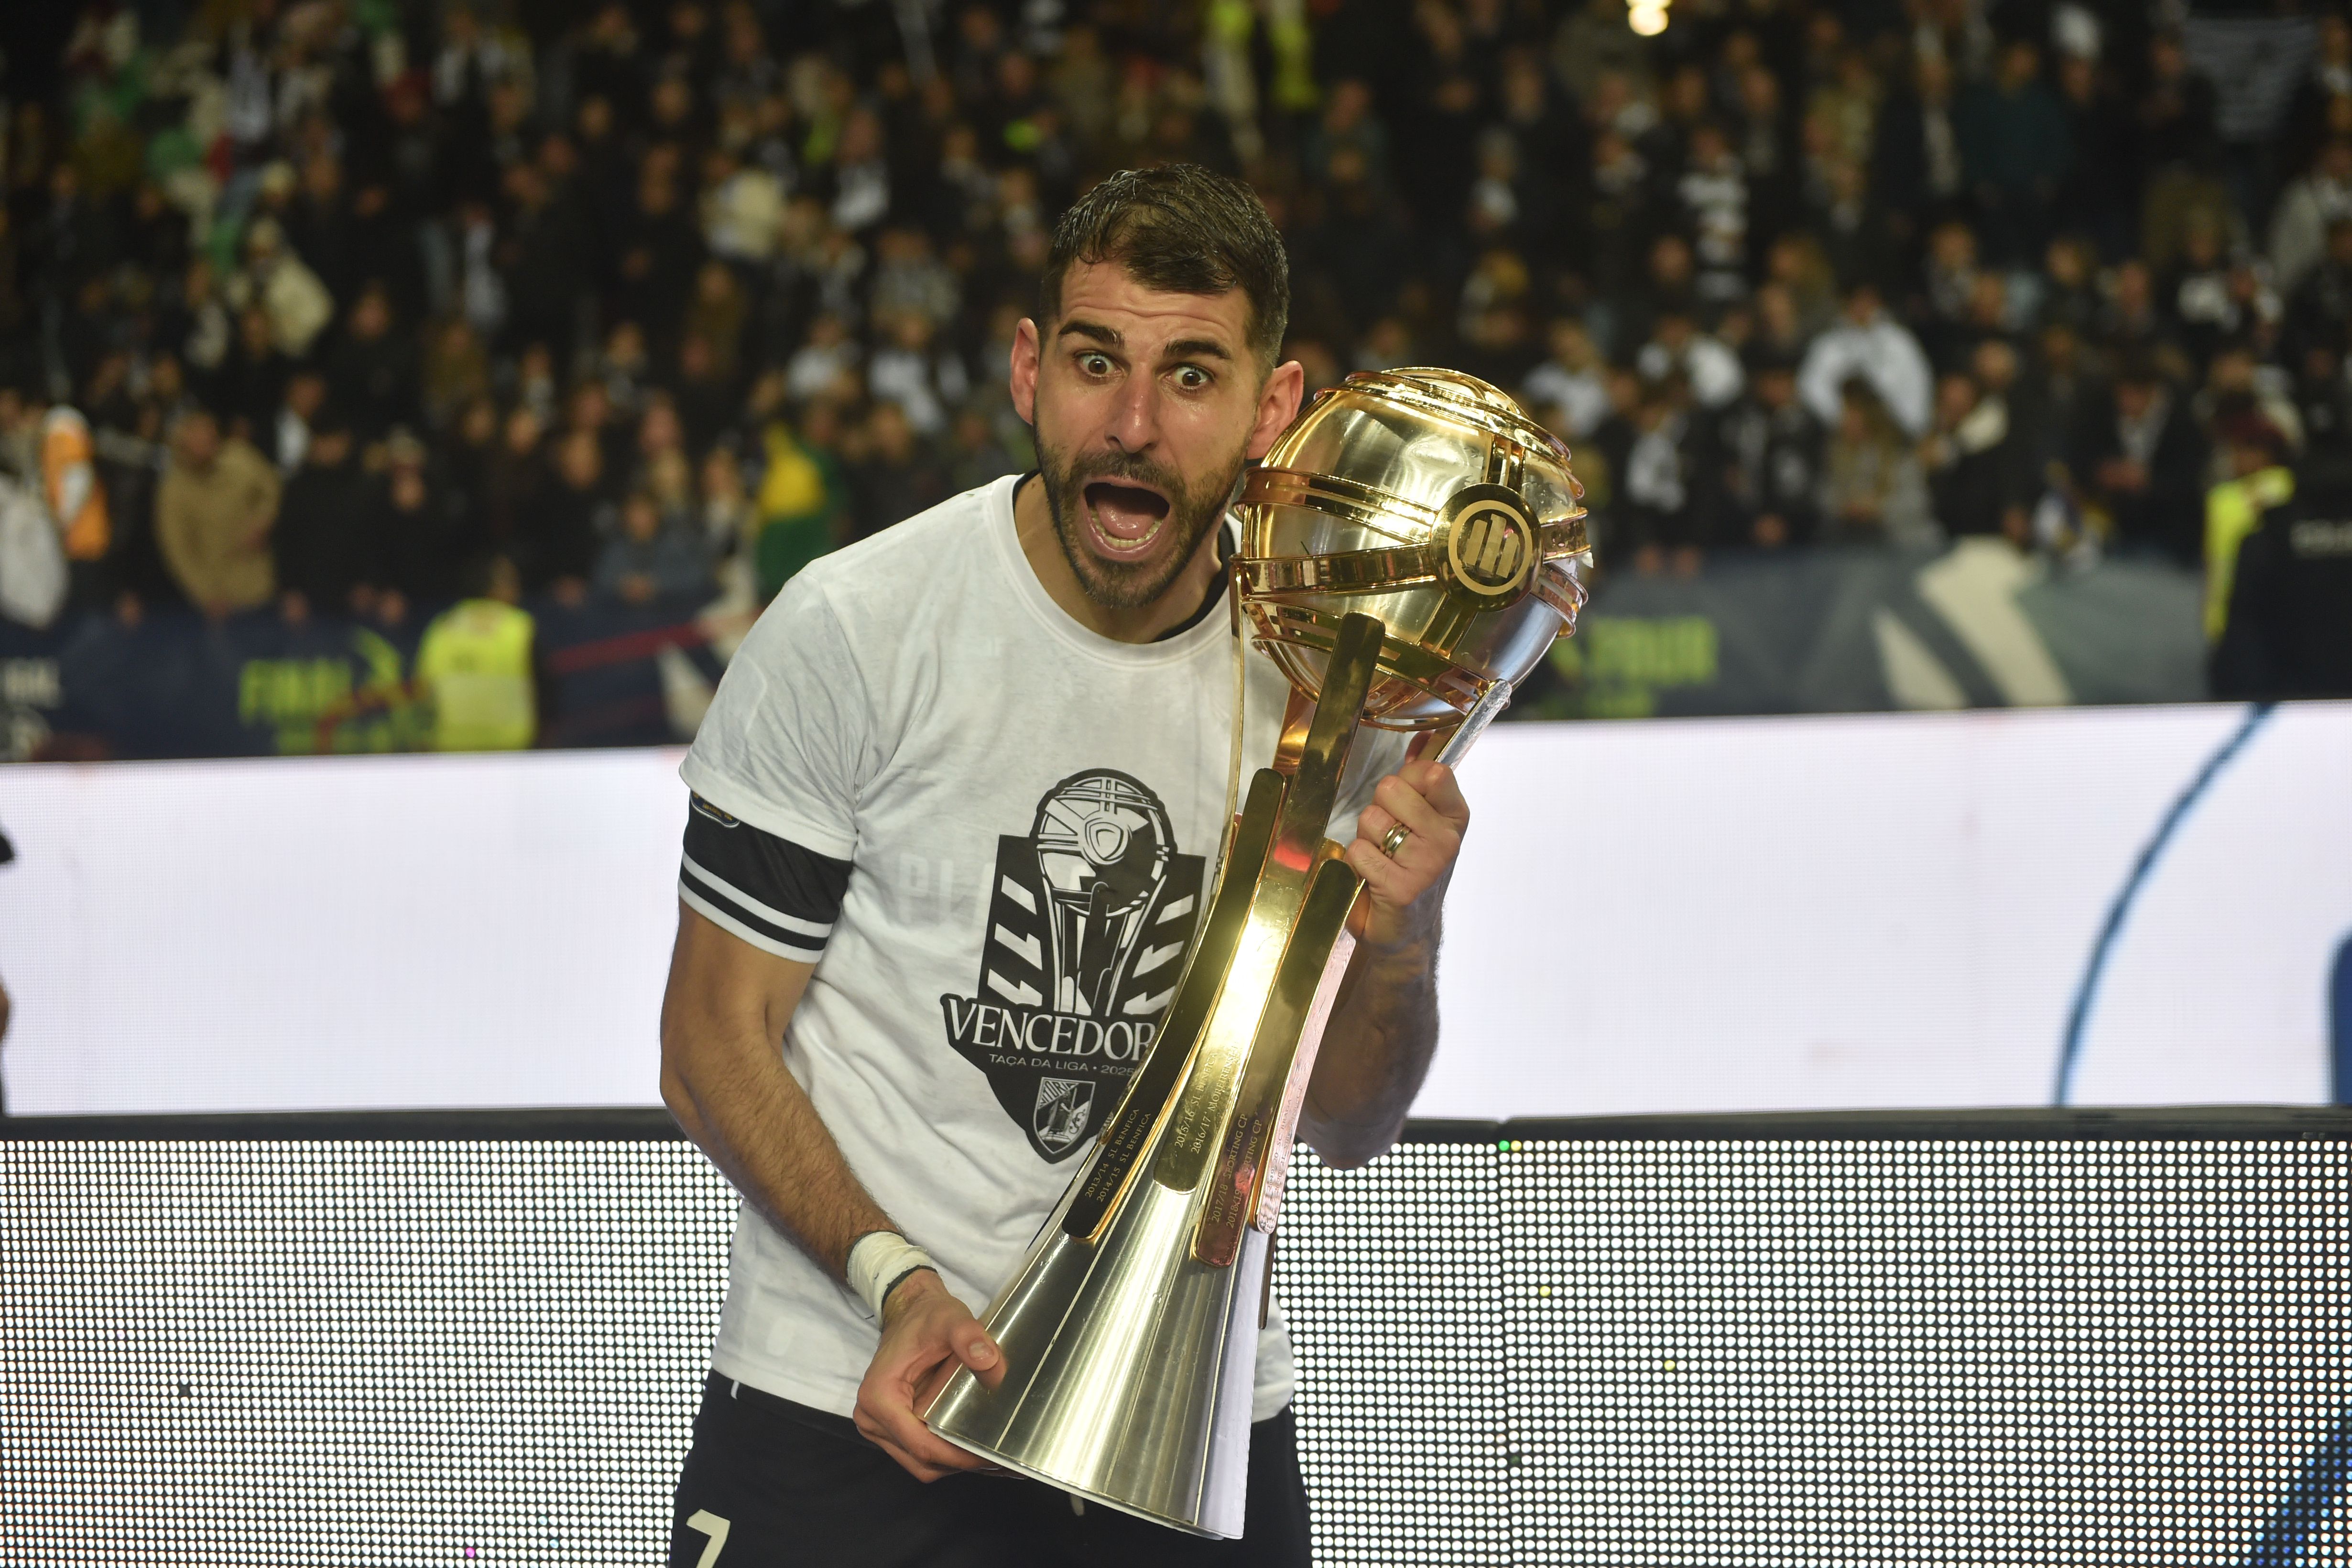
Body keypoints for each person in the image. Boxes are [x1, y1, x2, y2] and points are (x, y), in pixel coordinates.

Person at [660, 165, 1459, 1567]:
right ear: (1029, 368)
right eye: (1096, 362)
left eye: (1191, 375)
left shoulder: (1331, 689)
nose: (1133, 424)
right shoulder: (856, 628)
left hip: (1179, 1427)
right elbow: (710, 1039)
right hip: (845, 1407)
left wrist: (1404, 936)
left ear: (1272, 408)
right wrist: (893, 1279)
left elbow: (1342, 1122)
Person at [155, 407, 281, 618]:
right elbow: (178, 550)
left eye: (211, 436)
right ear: (184, 445)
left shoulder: (240, 456)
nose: (210, 443)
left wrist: (263, 522)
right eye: (201, 439)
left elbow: (273, 489)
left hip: (263, 584)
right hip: (220, 597)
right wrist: (206, 595)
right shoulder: (174, 490)